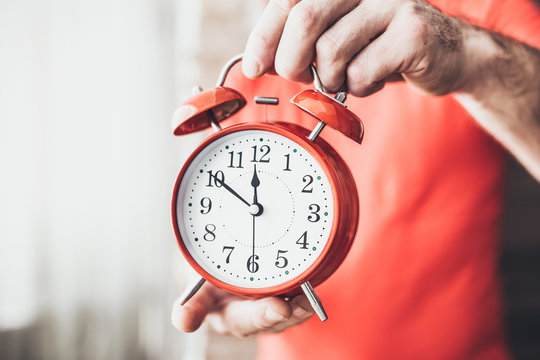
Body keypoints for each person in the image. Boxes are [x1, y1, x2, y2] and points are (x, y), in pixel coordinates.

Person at [172, 0, 540, 358]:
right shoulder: (248, 74)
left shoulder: (481, 8)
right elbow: (213, 210)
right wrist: (214, 266)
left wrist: (468, 57)